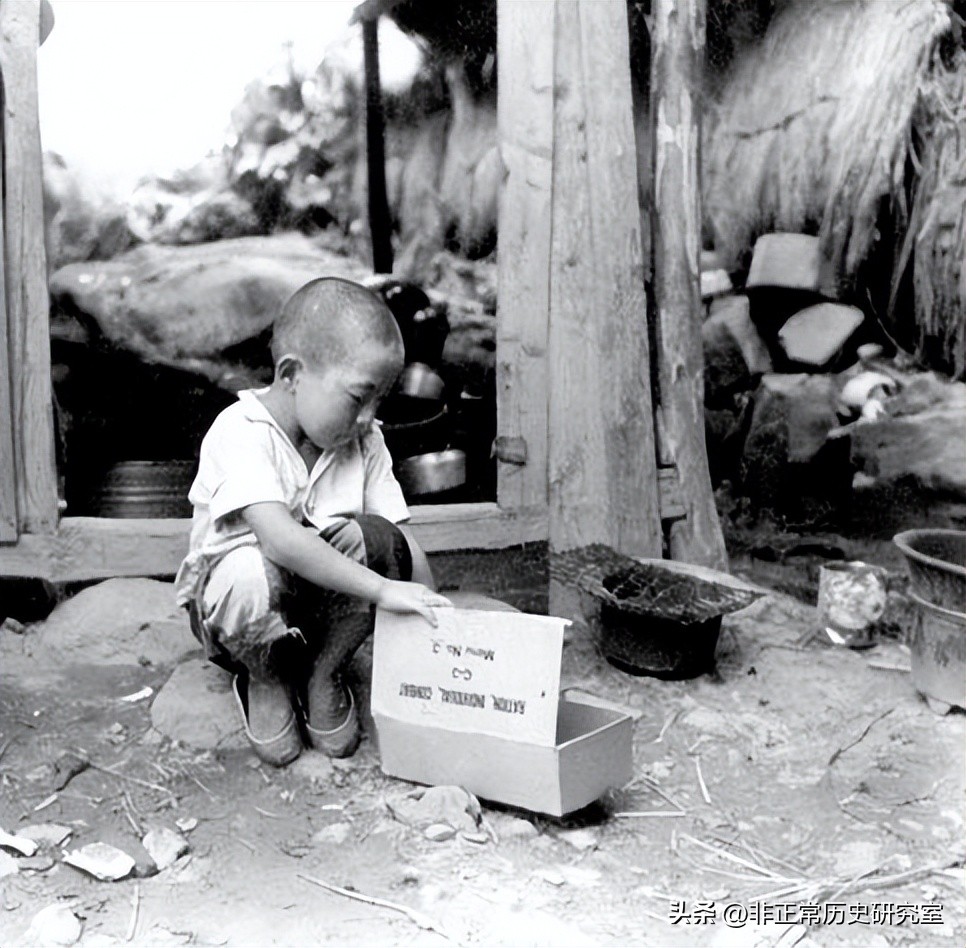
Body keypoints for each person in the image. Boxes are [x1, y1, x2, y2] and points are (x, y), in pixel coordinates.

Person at [175, 277, 451, 766]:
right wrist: (383, 590)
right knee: (247, 571)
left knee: (379, 538)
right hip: (245, 617)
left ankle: (325, 670)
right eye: (358, 398)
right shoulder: (240, 432)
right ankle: (265, 676)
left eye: (380, 401)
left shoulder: (365, 440)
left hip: (321, 613)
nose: (369, 417)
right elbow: (280, 542)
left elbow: (400, 541)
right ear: (291, 374)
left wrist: (442, 621)